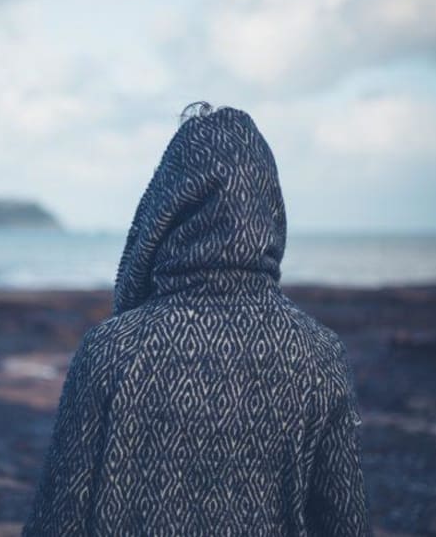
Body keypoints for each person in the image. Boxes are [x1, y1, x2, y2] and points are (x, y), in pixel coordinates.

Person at [22, 103, 372, 536]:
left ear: (165, 208)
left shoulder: (110, 352)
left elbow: (56, 524)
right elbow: (346, 526)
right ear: (269, 207)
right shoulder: (320, 356)